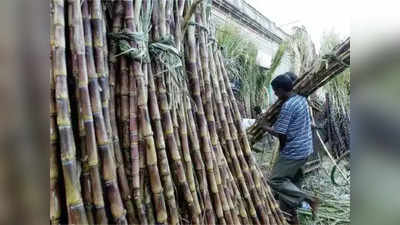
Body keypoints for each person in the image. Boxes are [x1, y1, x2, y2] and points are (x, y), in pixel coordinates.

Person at [262, 72, 320, 225]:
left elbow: (280, 132)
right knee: (291, 186)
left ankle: (308, 199)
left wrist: (264, 126)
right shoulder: (301, 99)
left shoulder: (288, 106)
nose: (275, 94)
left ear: (281, 89)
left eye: (275, 91)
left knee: (276, 180)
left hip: (293, 152)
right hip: (306, 149)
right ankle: (292, 219)